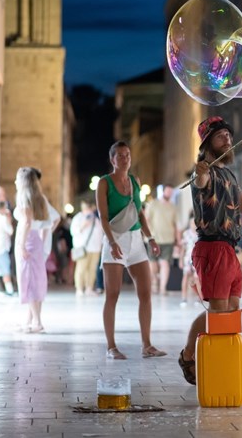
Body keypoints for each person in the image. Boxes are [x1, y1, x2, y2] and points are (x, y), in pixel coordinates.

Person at [178, 116, 242, 385]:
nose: (227, 138)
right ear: (206, 144)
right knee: (218, 310)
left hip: (229, 249)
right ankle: (191, 356)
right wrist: (200, 171)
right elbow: (200, 181)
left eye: (228, 134)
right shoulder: (205, 171)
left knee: (231, 309)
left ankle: (225, 367)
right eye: (220, 136)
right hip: (212, 247)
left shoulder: (228, 173)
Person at [96, 141, 165, 360]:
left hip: (136, 241)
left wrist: (150, 237)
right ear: (112, 160)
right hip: (114, 240)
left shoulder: (135, 181)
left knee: (146, 293)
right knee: (112, 295)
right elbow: (103, 216)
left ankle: (147, 345)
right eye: (120, 156)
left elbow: (140, 212)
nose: (125, 159)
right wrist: (111, 242)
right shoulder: (104, 183)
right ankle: (111, 347)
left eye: (128, 155)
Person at [14, 167, 53, 333]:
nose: (15, 182)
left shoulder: (24, 197)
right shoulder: (40, 198)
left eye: (17, 179)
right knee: (36, 280)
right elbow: (47, 223)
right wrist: (41, 242)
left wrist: (22, 244)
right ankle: (30, 320)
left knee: (28, 281)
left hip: (27, 239)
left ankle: (37, 322)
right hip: (36, 239)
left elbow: (27, 222)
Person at [146, 184, 179, 295]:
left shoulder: (173, 207)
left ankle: (162, 288)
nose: (169, 194)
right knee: (153, 264)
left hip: (168, 239)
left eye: (171, 192)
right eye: (168, 191)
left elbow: (176, 225)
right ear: (163, 191)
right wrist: (149, 234)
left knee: (165, 263)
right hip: (153, 239)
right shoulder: (153, 204)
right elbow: (146, 219)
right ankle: (154, 281)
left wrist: (177, 241)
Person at [70, 199, 104, 296]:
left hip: (95, 248)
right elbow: (74, 231)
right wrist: (83, 225)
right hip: (83, 248)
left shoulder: (96, 219)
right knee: (81, 268)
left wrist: (101, 245)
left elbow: (100, 233)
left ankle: (89, 288)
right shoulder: (78, 218)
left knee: (92, 269)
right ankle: (79, 289)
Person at [179, 216, 200, 306]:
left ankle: (199, 298)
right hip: (188, 258)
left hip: (197, 259)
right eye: (192, 223)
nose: (193, 225)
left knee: (197, 278)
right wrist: (180, 259)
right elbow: (183, 248)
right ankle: (184, 298)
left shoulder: (200, 234)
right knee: (186, 276)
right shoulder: (186, 234)